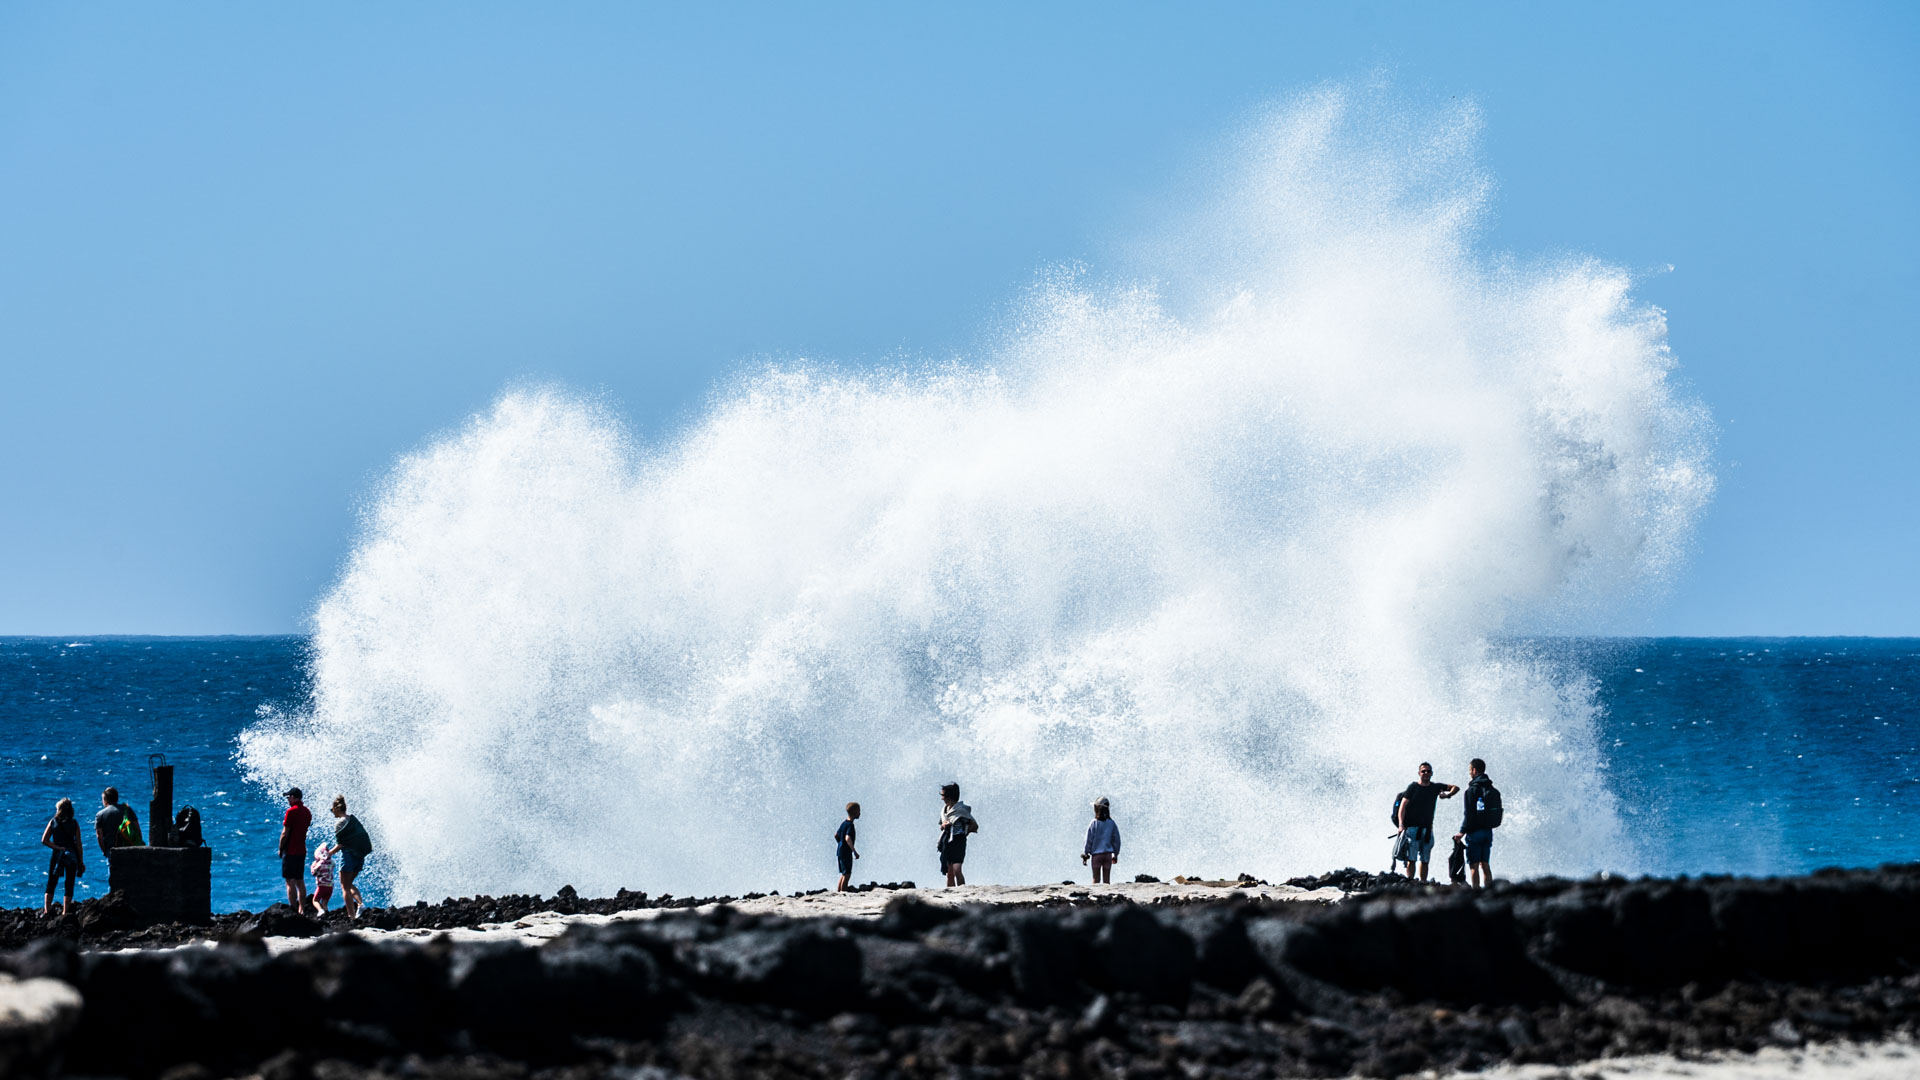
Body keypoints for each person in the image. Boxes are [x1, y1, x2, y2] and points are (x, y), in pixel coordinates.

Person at [1394, 763, 1459, 881]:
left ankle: (1423, 883)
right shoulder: (1413, 787)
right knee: (1411, 859)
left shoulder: (1435, 787)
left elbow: (1456, 787)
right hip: (1412, 829)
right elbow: (1402, 807)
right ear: (1419, 773)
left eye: (1428, 771)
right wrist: (1401, 825)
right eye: (1423, 771)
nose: (1426, 773)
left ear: (1432, 773)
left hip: (1428, 829)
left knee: (1425, 860)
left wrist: (1447, 795)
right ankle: (1410, 881)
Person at [1452, 758, 1503, 888]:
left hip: (1474, 833)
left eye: (1470, 770)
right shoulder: (1493, 790)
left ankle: (1476, 892)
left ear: (1474, 770)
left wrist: (1461, 832)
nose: (1470, 773)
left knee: (1474, 865)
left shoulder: (1471, 791)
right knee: (1485, 864)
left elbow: (1469, 815)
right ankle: (1490, 892)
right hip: (1488, 832)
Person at [329, 795, 373, 918]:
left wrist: (329, 853)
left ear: (336, 809)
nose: (332, 812)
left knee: (345, 887)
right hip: (359, 857)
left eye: (332, 810)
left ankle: (351, 915)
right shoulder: (353, 819)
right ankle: (361, 905)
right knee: (349, 884)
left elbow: (341, 844)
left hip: (348, 857)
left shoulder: (340, 823)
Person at [41, 798, 85, 917]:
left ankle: (47, 910)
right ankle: (65, 912)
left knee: (51, 882)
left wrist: (57, 847)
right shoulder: (74, 823)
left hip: (57, 855)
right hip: (71, 855)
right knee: (69, 883)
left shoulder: (53, 821)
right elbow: (79, 844)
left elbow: (44, 840)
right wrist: (81, 861)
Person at [937, 782, 978, 887]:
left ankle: (962, 890)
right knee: (949, 873)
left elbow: (974, 825)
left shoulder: (961, 810)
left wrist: (965, 832)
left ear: (949, 796)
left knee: (957, 869)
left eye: (943, 796)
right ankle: (951, 894)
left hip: (958, 841)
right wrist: (944, 825)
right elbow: (941, 825)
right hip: (947, 841)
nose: (942, 798)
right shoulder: (944, 810)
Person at [279, 788, 312, 910]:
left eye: (289, 797)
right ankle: (302, 909)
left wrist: (281, 848)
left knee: (290, 881)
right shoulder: (307, 812)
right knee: (300, 880)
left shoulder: (291, 812)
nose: (288, 800)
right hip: (301, 850)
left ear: (293, 797)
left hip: (291, 850)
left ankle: (293, 908)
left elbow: (285, 833)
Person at [93, 786, 143, 858]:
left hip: (112, 850)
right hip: (129, 848)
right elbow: (137, 829)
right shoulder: (127, 810)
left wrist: (104, 851)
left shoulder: (100, 815)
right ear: (117, 798)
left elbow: (99, 836)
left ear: (105, 800)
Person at [1082, 797, 1121, 884]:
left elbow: (1088, 839)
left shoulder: (1094, 823)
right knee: (1106, 880)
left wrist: (1085, 854)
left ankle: (1097, 895)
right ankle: (1107, 895)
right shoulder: (1111, 823)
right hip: (1107, 855)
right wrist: (1115, 854)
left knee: (1096, 878)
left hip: (1096, 855)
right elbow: (1116, 840)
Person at [834, 802, 861, 892]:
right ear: (854, 813)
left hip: (840, 851)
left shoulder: (844, 823)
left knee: (843, 874)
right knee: (847, 874)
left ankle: (839, 892)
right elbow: (847, 838)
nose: (860, 813)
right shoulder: (850, 825)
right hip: (846, 852)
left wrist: (840, 844)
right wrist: (854, 851)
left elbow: (836, 835)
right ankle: (843, 892)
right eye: (858, 811)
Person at [308, 841, 336, 915]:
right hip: (330, 886)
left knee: (315, 900)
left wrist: (312, 867)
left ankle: (320, 911)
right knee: (324, 903)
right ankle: (327, 914)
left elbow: (314, 873)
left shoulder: (319, 864)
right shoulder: (332, 862)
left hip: (321, 886)